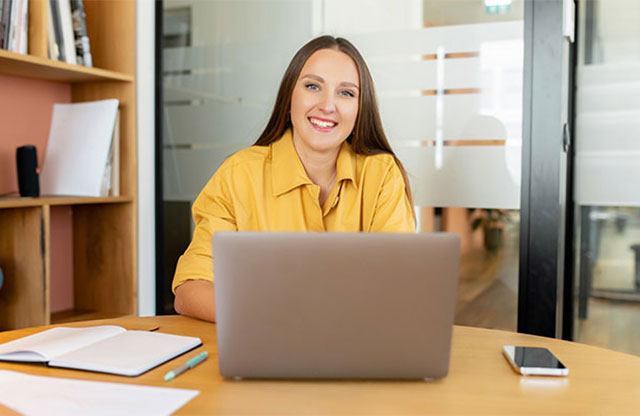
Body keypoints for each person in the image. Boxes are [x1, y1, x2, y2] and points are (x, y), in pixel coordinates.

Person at [172, 35, 416, 322]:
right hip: (262, 344)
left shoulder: (382, 174)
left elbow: (395, 286)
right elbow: (190, 289)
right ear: (290, 98)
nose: (328, 105)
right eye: (313, 86)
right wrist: (274, 319)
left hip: (355, 346)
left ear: (360, 110)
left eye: (346, 93)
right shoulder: (238, 174)